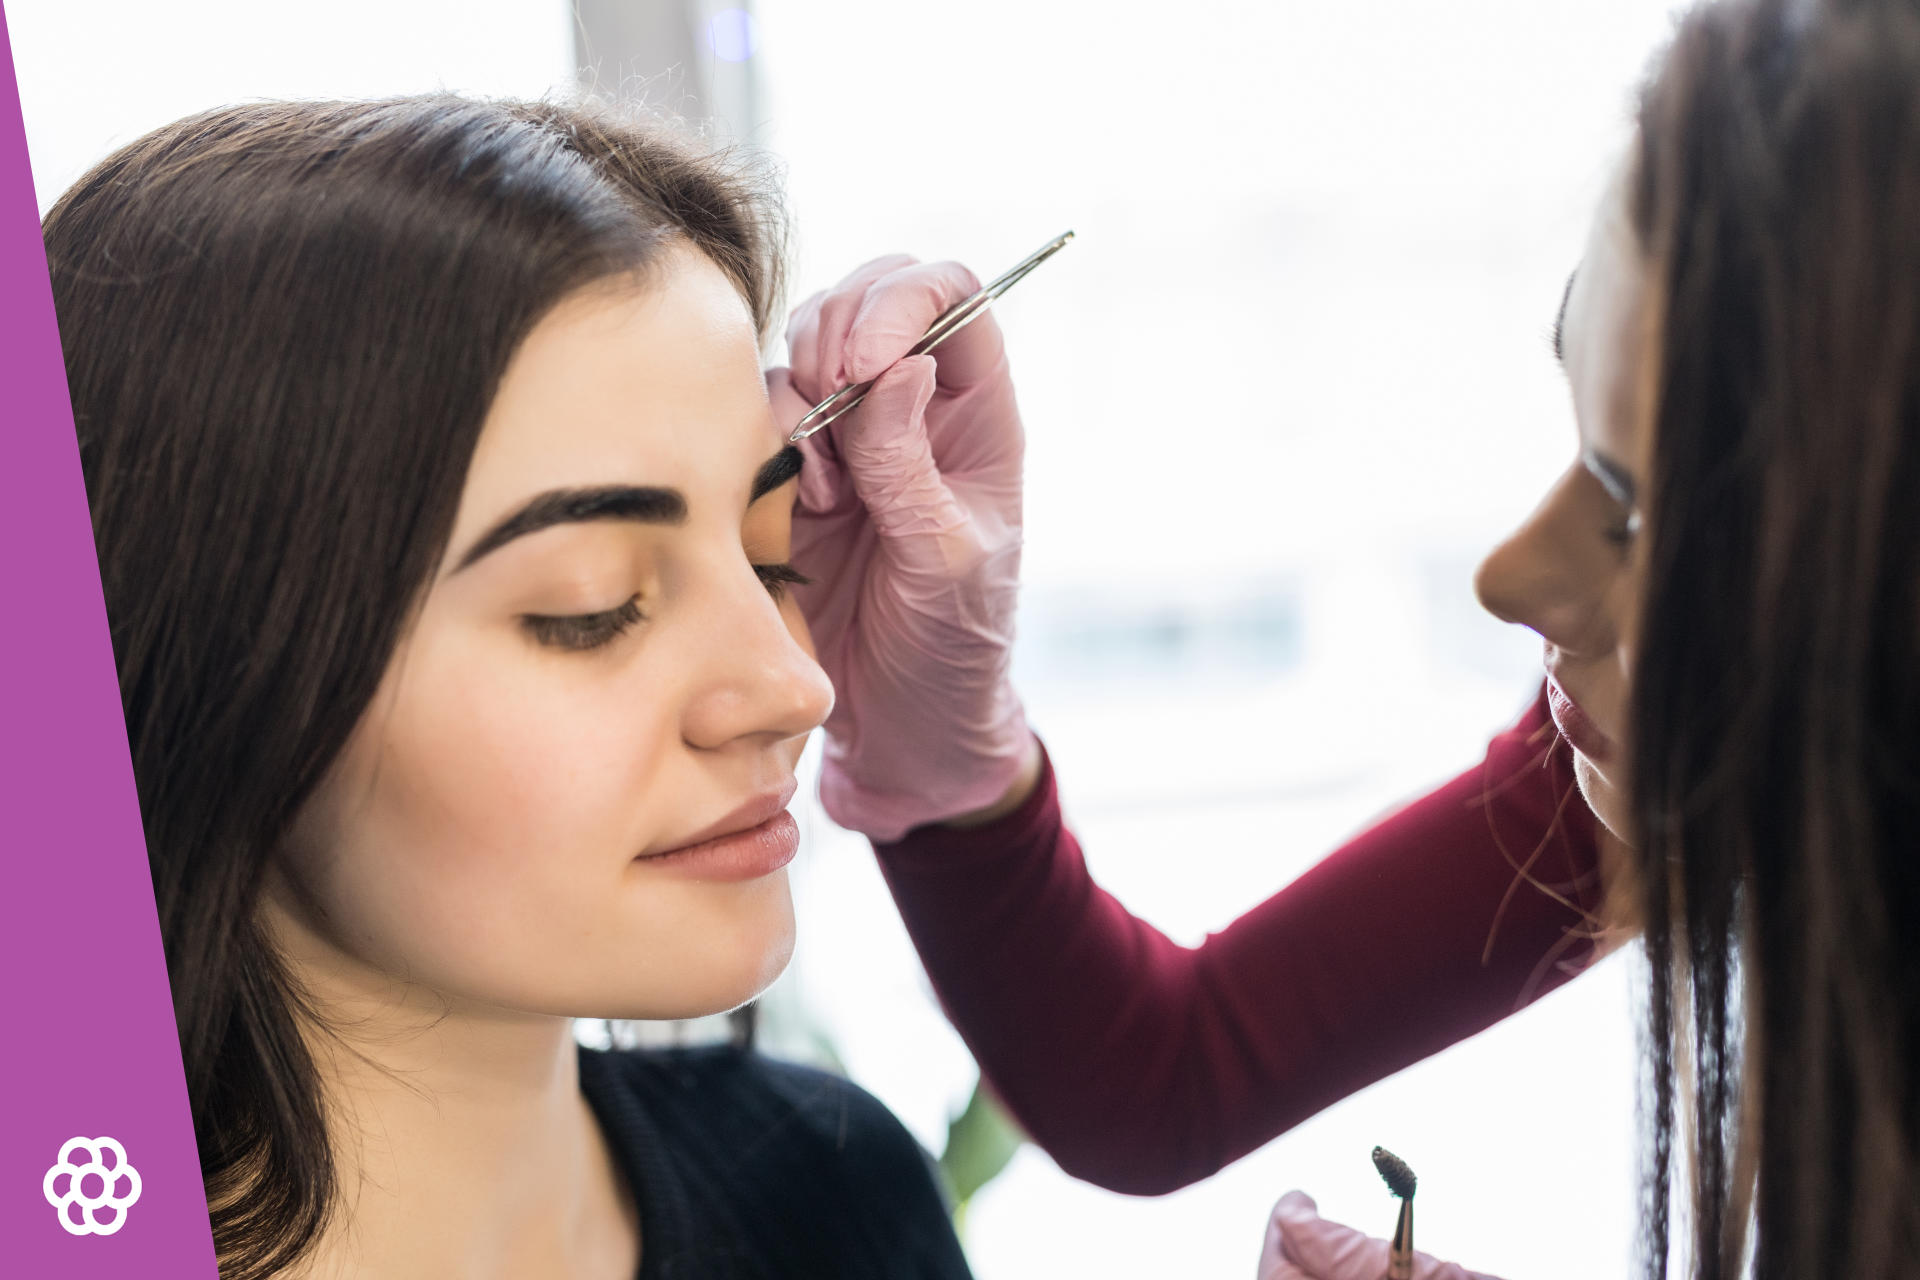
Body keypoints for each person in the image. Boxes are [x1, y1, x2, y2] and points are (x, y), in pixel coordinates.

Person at [772, 0, 1920, 1274]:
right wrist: (943, 741)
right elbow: (1162, 1072)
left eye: (1641, 510)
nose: (1511, 577)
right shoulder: (1667, 764)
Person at [48, 96, 973, 1280]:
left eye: (770, 551)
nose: (794, 685)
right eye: (587, 608)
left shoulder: (832, 1190)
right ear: (219, 669)